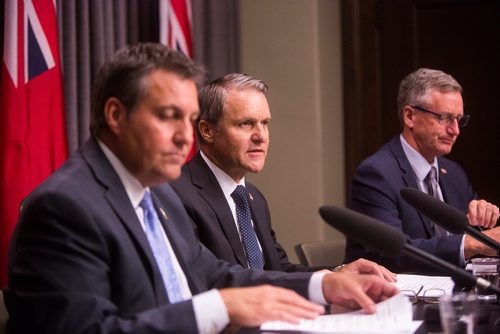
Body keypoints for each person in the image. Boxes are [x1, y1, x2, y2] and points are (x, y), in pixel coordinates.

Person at [4, 43, 398, 334]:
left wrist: (323, 283)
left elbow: (216, 275)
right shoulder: (63, 207)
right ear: (115, 115)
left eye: (189, 119)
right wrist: (214, 310)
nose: (183, 137)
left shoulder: (158, 193)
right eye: (168, 116)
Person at [171, 73, 395, 281]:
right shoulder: (178, 196)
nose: (260, 136)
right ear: (207, 131)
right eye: (245, 124)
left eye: (265, 123)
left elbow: (279, 270)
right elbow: (212, 280)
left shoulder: (252, 197)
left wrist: (335, 275)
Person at [345, 68, 500, 274]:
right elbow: (392, 253)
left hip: (452, 295)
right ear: (410, 116)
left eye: (459, 119)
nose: (455, 130)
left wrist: (484, 220)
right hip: (393, 299)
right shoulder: (375, 175)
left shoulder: (453, 173)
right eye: (444, 118)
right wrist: (472, 243)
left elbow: (477, 241)